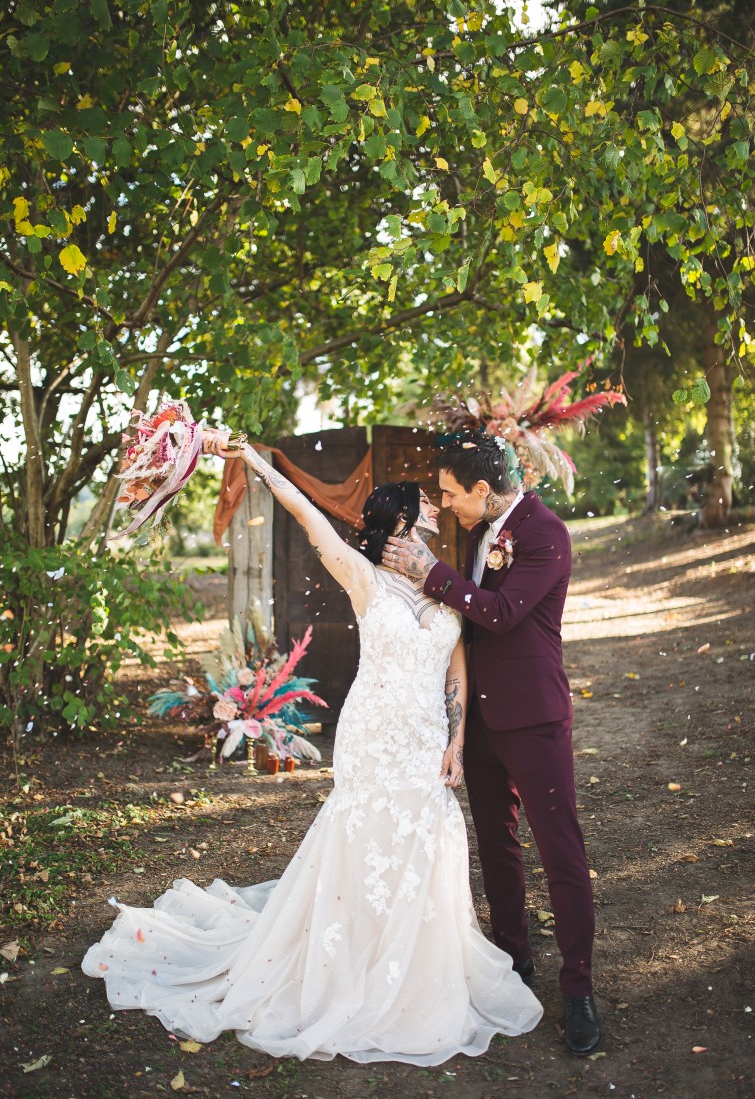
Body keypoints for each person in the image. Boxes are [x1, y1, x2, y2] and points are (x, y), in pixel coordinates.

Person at [82, 435, 542, 1065]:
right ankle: (345, 965)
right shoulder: (363, 579)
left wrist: (456, 741)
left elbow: (456, 665)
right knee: (366, 837)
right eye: (425, 506)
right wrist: (252, 460)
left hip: (425, 735)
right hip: (374, 733)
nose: (438, 509)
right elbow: (308, 514)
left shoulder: (443, 584)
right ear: (402, 519)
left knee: (425, 838)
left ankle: (416, 968)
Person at [381, 430, 600, 1055]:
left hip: (533, 719)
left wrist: (431, 574)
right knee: (496, 845)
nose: (445, 504)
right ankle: (512, 961)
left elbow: (500, 613)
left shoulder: (545, 534)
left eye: (452, 493)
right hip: (480, 722)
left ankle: (578, 990)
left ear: (483, 489)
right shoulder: (481, 532)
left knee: (561, 852)